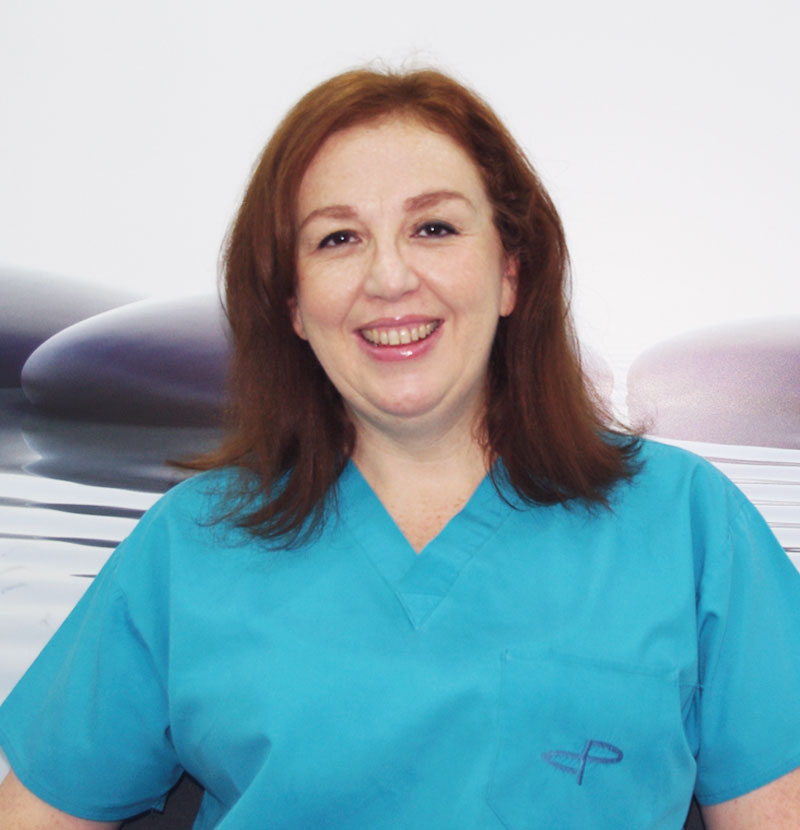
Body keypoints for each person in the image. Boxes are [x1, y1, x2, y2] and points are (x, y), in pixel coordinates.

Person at [1, 67, 799, 829]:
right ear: (293, 305)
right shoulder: (188, 548)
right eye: (338, 238)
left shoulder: (689, 526)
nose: (389, 277)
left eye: (434, 228)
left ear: (511, 271)